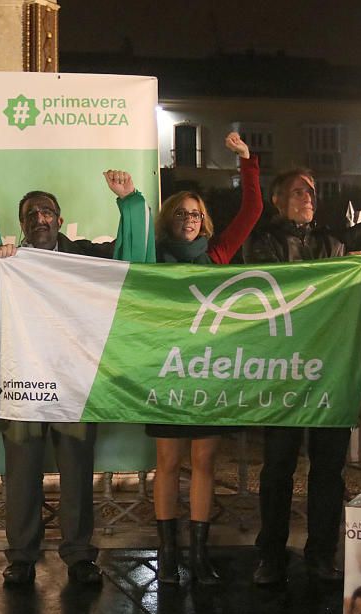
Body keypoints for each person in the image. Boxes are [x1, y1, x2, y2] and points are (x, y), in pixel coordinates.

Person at [245, 144, 361, 585]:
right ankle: (272, 557)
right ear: (279, 200)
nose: (308, 197)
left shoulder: (332, 241)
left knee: (328, 472)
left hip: (328, 373)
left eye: (312, 192)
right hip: (281, 373)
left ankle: (320, 554)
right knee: (277, 469)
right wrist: (335, 271)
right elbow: (275, 294)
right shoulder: (262, 243)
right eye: (298, 191)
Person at [0, 169, 154, 586]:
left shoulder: (85, 257)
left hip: (74, 386)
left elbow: (130, 261)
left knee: (77, 473)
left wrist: (130, 201)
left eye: (47, 212)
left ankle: (80, 556)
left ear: (60, 221)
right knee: (21, 475)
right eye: (31, 214)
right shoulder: (7, 263)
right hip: (22, 387)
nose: (40, 219)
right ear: (23, 223)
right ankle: (21, 558)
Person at [148, 132, 262, 586]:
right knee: (168, 463)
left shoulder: (217, 254)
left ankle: (198, 557)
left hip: (207, 374)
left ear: (205, 220)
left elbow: (252, 212)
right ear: (168, 219)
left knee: (204, 464)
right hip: (166, 371)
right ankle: (168, 556)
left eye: (196, 214)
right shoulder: (151, 257)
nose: (189, 220)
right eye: (181, 213)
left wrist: (247, 162)